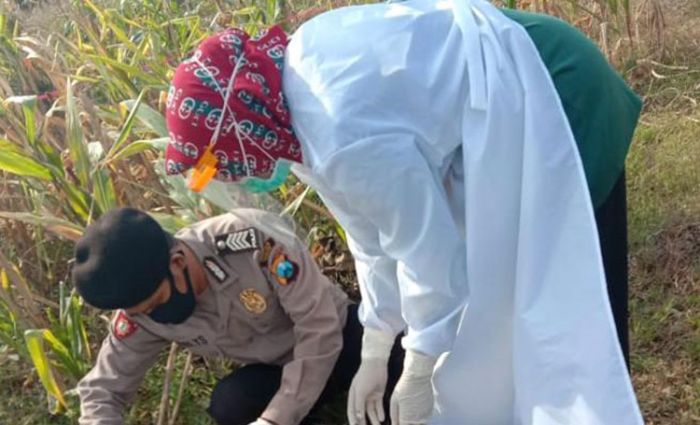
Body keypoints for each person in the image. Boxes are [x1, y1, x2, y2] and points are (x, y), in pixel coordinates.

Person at [163, 0, 644, 424]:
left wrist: (418, 363)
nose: (231, 176)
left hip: (554, 88)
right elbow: (370, 236)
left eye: (218, 162)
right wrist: (376, 342)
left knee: (559, 292)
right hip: (504, 95)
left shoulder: (336, 131)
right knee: (508, 288)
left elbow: (427, 251)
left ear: (237, 124)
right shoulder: (292, 102)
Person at [72, 207, 404, 425]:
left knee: (402, 384)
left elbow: (318, 327)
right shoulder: (142, 304)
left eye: (155, 303)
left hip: (340, 338)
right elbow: (102, 390)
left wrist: (275, 419)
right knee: (230, 405)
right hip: (276, 368)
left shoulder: (251, 239)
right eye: (141, 313)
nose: (154, 317)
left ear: (176, 263)